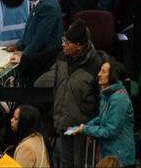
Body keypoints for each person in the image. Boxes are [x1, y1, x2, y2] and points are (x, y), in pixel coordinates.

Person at [36, 19, 103, 168]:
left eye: (67, 42)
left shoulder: (97, 64)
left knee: (80, 163)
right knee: (65, 162)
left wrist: (92, 126)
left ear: (79, 45)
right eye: (63, 40)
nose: (63, 45)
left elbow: (101, 100)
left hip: (82, 128)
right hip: (63, 123)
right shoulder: (61, 57)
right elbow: (56, 85)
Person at [76, 60, 135, 167]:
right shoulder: (106, 95)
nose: (99, 74)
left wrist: (86, 129)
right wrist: (86, 126)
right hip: (109, 155)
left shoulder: (119, 99)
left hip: (120, 159)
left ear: (113, 76)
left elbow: (111, 130)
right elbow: (101, 117)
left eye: (103, 71)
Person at [7, 0, 62, 86]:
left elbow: (40, 37)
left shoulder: (49, 7)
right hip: (34, 54)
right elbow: (29, 28)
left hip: (42, 59)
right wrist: (18, 45)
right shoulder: (41, 2)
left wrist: (24, 56)